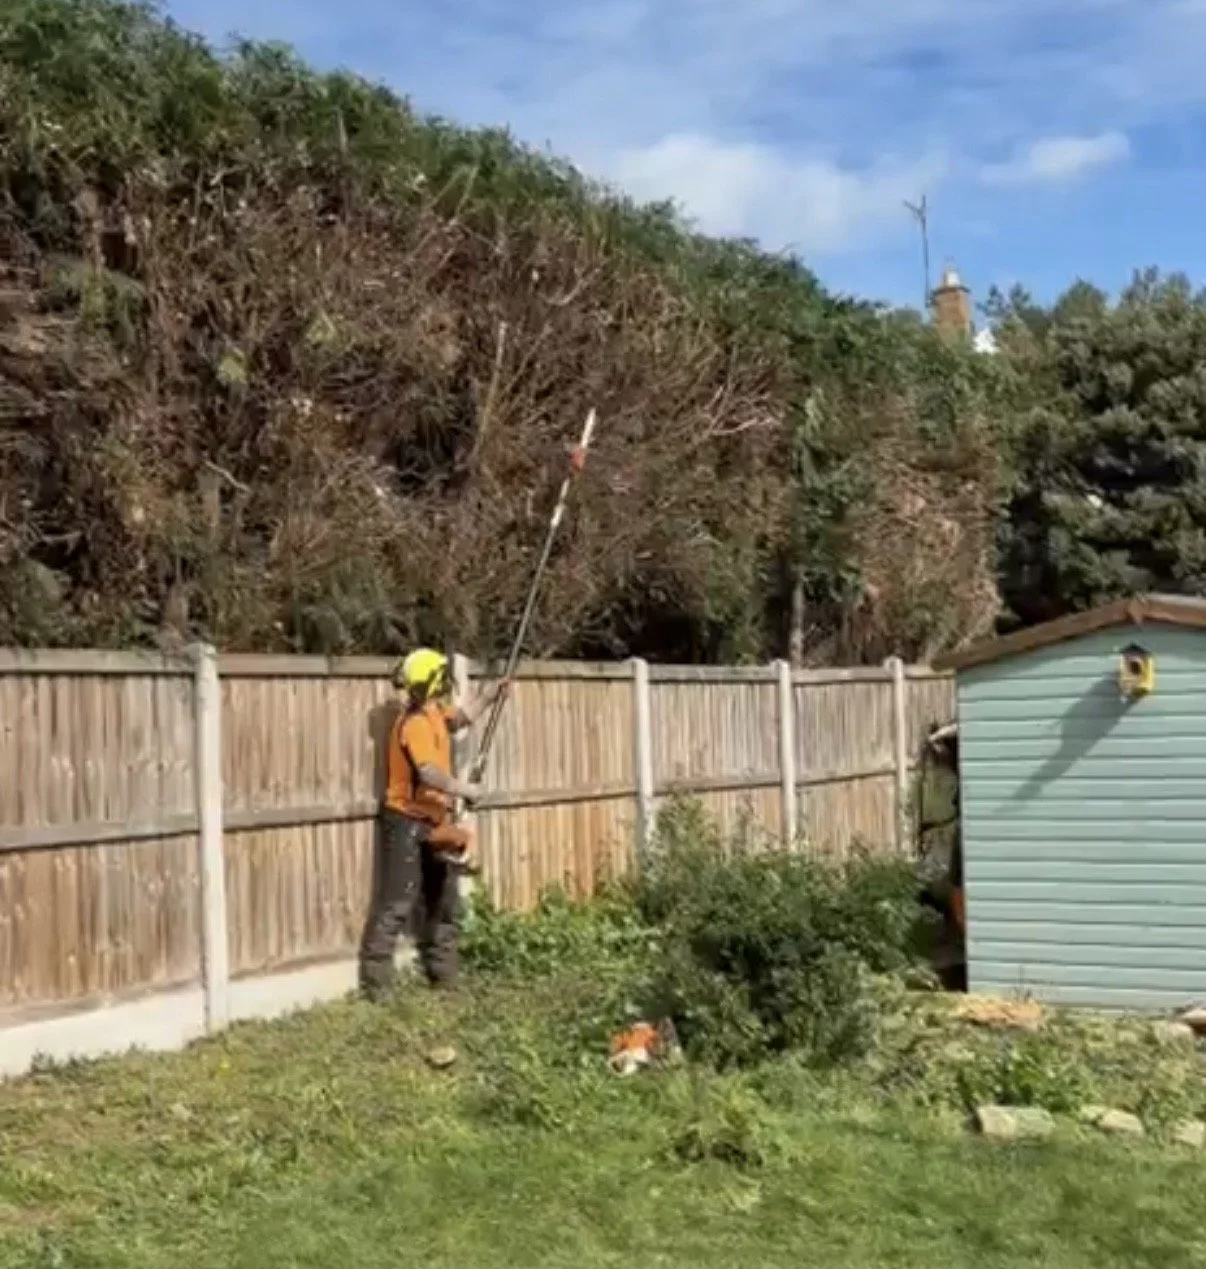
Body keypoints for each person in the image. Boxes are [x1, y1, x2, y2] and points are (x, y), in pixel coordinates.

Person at [359, 648, 507, 999]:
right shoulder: (413, 724)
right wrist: (465, 789)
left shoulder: (436, 713)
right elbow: (428, 773)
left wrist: (490, 695)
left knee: (444, 901)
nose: (445, 683)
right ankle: (376, 985)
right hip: (405, 822)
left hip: (433, 820)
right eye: (441, 678)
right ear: (432, 682)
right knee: (398, 902)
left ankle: (445, 977)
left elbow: (462, 718)